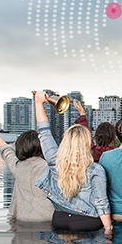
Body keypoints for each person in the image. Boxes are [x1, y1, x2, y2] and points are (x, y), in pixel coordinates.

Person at [32, 91, 112, 233]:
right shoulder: (95, 169)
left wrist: (38, 103)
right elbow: (101, 202)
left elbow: (44, 132)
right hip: (87, 221)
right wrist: (108, 229)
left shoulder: (54, 161)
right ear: (87, 144)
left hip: (60, 220)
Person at [0, 116, 53, 222]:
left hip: (21, 220)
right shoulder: (50, 168)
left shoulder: (16, 166)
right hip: (47, 221)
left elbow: (4, 147)